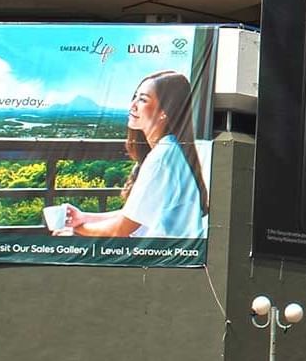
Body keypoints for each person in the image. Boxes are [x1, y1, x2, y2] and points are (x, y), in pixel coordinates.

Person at [66, 70, 208, 238]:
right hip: (174, 254)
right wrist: (83, 218)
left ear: (164, 112)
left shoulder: (161, 158)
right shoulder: (171, 150)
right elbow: (132, 215)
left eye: (142, 99)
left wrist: (75, 230)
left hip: (161, 258)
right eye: (135, 97)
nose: (132, 105)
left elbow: (122, 229)